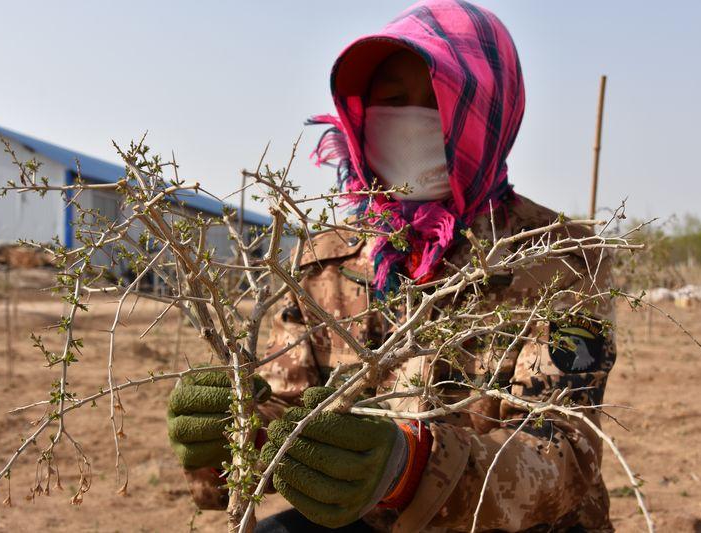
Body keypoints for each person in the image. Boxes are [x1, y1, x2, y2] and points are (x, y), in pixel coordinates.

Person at [166, 1, 616, 531]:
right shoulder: (322, 262)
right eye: (393, 101)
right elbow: (287, 408)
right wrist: (241, 434)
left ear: (489, 110)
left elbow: (562, 450)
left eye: (439, 101)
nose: (412, 122)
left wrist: (409, 469)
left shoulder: (560, 257)